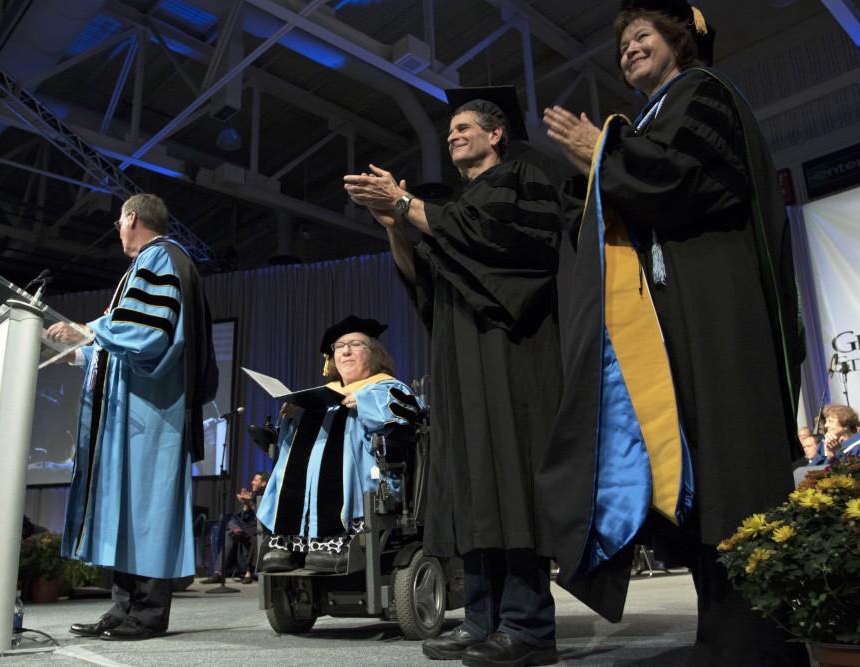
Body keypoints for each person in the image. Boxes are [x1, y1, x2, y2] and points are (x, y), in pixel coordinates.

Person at [537, 2, 807, 666]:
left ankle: (757, 646)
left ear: (679, 40)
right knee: (705, 483)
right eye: (623, 43)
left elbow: (685, 180)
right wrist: (596, 168)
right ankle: (721, 637)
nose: (629, 49)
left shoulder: (703, 94)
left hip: (721, 314)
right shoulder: (654, 116)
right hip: (680, 320)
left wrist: (602, 151)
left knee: (735, 473)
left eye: (643, 36)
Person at [344, 87, 562, 667]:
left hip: (510, 359)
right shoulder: (454, 213)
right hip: (462, 365)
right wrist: (393, 221)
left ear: (497, 135)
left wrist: (406, 202)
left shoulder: (521, 183)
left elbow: (500, 246)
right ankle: (485, 618)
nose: (453, 134)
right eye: (449, 130)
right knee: (474, 486)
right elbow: (428, 285)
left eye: (465, 126)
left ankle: (530, 627)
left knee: (510, 484)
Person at [47, 193, 216, 641]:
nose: (117, 229)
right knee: (129, 508)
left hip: (153, 411)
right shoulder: (151, 263)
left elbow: (148, 334)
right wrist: (81, 354)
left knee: (146, 511)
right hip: (139, 410)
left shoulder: (160, 259)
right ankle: (123, 609)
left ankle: (146, 613)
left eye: (119, 221)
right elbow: (125, 343)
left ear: (133, 218)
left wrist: (88, 330)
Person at [256, 316, 416, 574]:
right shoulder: (323, 395)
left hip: (371, 481)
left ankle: (334, 542)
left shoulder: (387, 387)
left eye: (355, 344)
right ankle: (286, 543)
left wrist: (365, 403)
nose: (346, 351)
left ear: (374, 354)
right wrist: (292, 416)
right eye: (339, 346)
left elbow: (406, 419)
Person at [203, 471, 268, 584]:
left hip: (256, 529)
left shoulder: (266, 496)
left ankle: (248, 572)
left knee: (235, 530)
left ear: (263, 483)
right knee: (227, 521)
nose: (252, 482)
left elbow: (262, 517)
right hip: (245, 528)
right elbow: (243, 517)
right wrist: (245, 505)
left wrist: (250, 504)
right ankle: (218, 573)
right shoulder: (252, 495)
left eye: (256, 480)